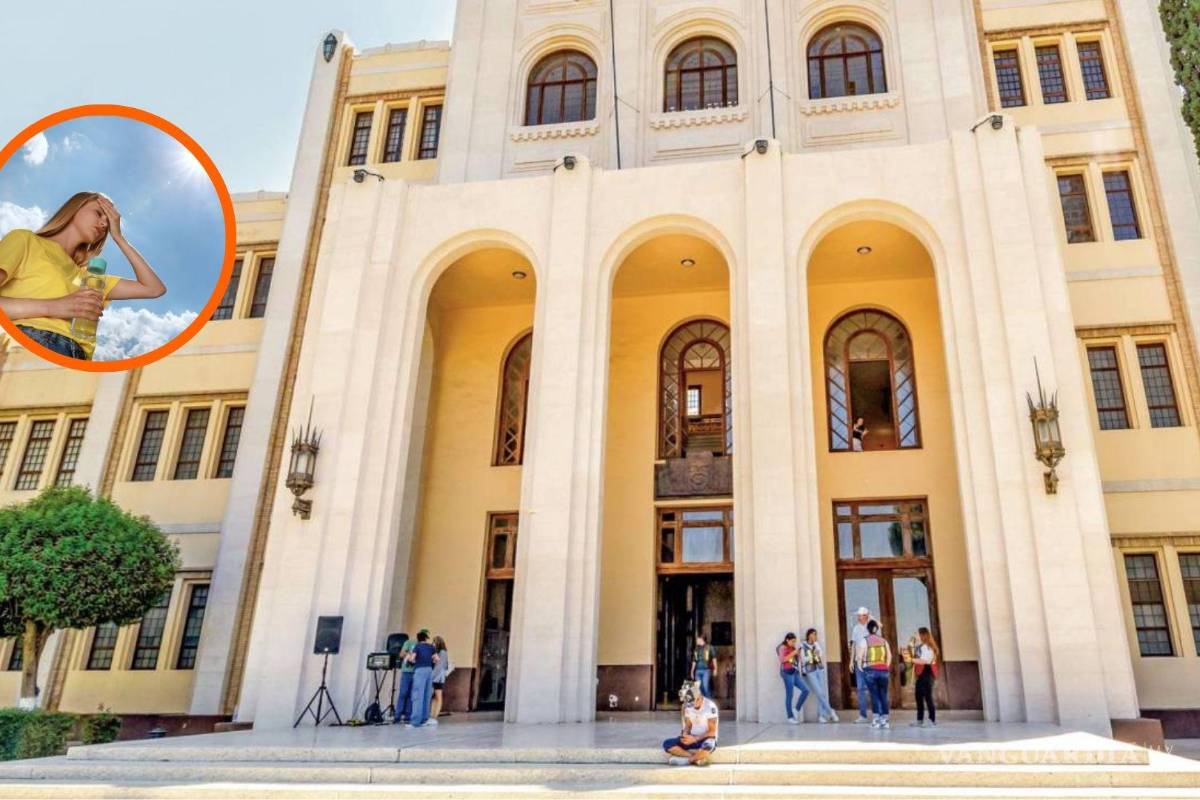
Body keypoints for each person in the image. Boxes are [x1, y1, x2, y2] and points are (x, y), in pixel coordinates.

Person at [0, 192, 166, 360]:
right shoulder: (26, 240)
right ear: (75, 208)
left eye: (108, 223)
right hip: (31, 342)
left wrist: (118, 237)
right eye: (99, 213)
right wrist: (51, 307)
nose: (103, 224)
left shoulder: (91, 279)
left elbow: (153, 288)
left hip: (78, 359)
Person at [662, 680, 718, 767]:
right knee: (667, 744)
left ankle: (687, 761)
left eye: (692, 703)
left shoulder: (710, 707)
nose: (689, 706)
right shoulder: (687, 706)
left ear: (698, 698)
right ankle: (695, 758)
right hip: (691, 737)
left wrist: (695, 739)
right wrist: (685, 735)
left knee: (708, 746)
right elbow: (688, 725)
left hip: (705, 738)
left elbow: (712, 732)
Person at [796, 628, 839, 723]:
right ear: (809, 635)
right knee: (819, 692)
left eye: (816, 634)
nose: (816, 636)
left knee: (822, 693)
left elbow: (820, 654)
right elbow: (803, 660)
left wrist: (816, 654)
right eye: (814, 634)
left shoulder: (816, 644)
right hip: (810, 671)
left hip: (819, 669)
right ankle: (831, 711)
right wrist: (812, 655)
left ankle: (821, 716)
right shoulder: (802, 645)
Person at [856, 619, 893, 729]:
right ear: (876, 629)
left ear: (868, 629)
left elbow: (860, 656)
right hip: (883, 670)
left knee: (874, 695)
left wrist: (860, 666)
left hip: (870, 669)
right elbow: (889, 656)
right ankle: (885, 720)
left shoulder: (865, 641)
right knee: (883, 695)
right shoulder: (883, 641)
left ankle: (876, 719)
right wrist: (886, 666)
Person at [407, 629, 440, 728]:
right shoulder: (431, 647)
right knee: (427, 694)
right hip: (429, 670)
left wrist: (410, 659)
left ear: (418, 639)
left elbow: (412, 659)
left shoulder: (417, 647)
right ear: (426, 638)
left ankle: (415, 721)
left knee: (417, 695)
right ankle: (425, 719)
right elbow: (437, 659)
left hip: (420, 670)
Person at [910, 626, 940, 728]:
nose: (915, 635)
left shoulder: (927, 647)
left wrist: (912, 660)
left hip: (927, 672)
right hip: (923, 673)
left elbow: (925, 661)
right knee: (918, 696)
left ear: (922, 635)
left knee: (928, 697)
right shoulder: (922, 646)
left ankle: (932, 720)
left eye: (917, 634)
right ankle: (920, 720)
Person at [849, 607, 873, 723]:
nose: (859, 617)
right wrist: (851, 661)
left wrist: (872, 618)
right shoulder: (856, 628)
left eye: (861, 615)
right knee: (860, 689)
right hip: (858, 662)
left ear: (866, 616)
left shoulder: (872, 627)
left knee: (873, 688)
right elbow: (853, 644)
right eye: (858, 615)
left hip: (870, 661)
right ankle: (863, 715)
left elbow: (880, 627)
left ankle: (878, 714)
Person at [776, 632, 803, 724]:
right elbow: (782, 659)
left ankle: (796, 709)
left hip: (794, 672)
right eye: (792, 641)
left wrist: (798, 654)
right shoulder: (782, 648)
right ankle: (790, 717)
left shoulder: (793, 648)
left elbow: (797, 660)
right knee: (790, 694)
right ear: (787, 640)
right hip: (787, 672)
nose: (794, 643)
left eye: (795, 641)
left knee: (806, 690)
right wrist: (793, 653)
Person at [429, 635, 452, 725]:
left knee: (438, 697)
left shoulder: (442, 652)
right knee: (434, 697)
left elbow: (440, 666)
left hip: (437, 678)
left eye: (434, 642)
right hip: (436, 677)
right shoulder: (439, 652)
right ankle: (432, 714)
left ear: (438, 643)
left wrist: (432, 676)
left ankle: (435, 716)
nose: (433, 644)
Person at [394, 635, 416, 724]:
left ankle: (408, 715)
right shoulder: (408, 643)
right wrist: (408, 655)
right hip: (407, 671)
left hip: (416, 672)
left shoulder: (421, 645)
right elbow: (401, 654)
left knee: (411, 695)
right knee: (403, 693)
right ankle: (397, 715)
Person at [689, 634, 716, 700]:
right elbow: (694, 660)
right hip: (698, 670)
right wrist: (692, 671)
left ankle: (708, 701)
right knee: (698, 688)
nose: (696, 641)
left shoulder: (710, 647)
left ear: (701, 639)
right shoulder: (696, 649)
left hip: (706, 670)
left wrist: (715, 669)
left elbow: (714, 659)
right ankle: (702, 703)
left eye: (698, 639)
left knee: (705, 686)